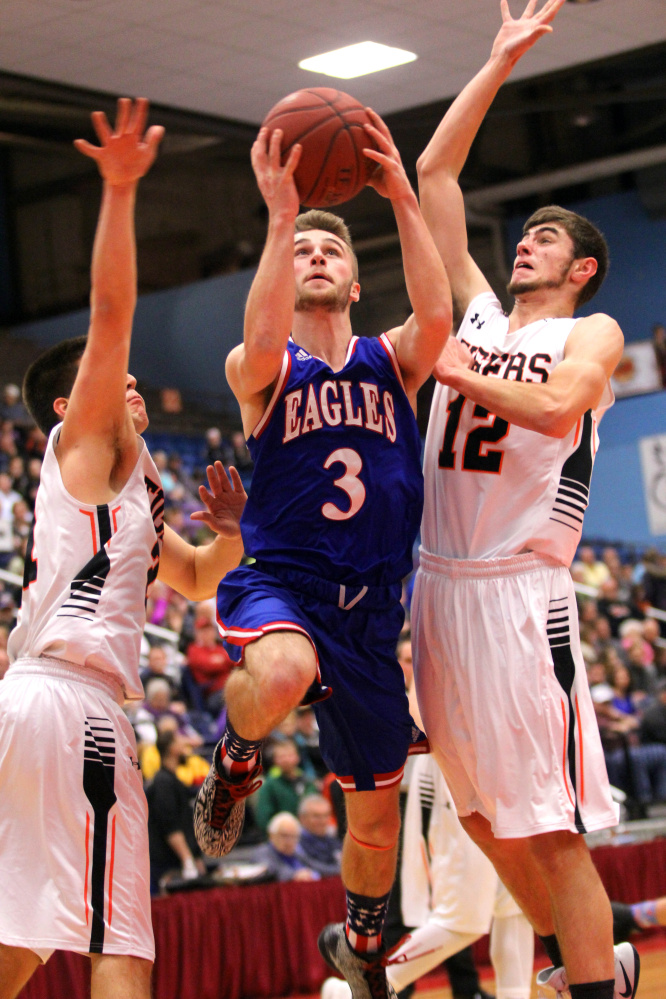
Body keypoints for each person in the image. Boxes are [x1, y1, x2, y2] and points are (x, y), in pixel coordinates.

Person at [193, 110, 451, 999]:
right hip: (288, 582)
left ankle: (362, 941)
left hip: (374, 607)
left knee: (376, 820)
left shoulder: (393, 362)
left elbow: (438, 313)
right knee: (281, 670)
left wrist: (404, 198)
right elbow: (260, 339)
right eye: (302, 250)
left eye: (329, 250)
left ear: (353, 273)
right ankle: (234, 761)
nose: (315, 257)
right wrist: (278, 216)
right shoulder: (261, 368)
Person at [412, 3, 638, 999]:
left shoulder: (591, 331)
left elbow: (552, 412)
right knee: (473, 814)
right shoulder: (476, 314)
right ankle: (601, 954)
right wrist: (499, 61)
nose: (526, 245)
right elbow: (436, 175)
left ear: (580, 266)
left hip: (516, 595)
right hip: (437, 589)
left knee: (546, 821)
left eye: (545, 237)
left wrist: (456, 374)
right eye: (528, 236)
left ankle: (594, 982)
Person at [0, 99, 245, 999]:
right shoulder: (87, 445)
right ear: (73, 407)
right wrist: (117, 193)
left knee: (22, 938)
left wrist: (234, 534)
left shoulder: (129, 486)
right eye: (112, 382)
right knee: (121, 936)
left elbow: (191, 580)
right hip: (74, 706)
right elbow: (111, 312)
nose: (130, 382)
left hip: (31, 705)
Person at [146, 727, 204, 894]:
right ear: (172, 748)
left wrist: (195, 856)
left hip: (178, 861)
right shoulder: (163, 782)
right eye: (180, 741)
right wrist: (187, 860)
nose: (186, 744)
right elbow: (170, 826)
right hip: (167, 865)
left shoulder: (173, 780)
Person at [252, 811, 321, 882]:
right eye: (284, 835)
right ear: (272, 835)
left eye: (294, 836)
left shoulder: (298, 853)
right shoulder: (262, 852)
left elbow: (316, 866)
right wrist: (295, 875)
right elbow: (271, 870)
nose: (289, 841)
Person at [298, 794, 343, 878]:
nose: (323, 821)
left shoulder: (334, 841)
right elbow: (310, 865)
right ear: (302, 818)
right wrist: (340, 871)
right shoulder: (296, 842)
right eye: (316, 816)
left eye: (326, 816)